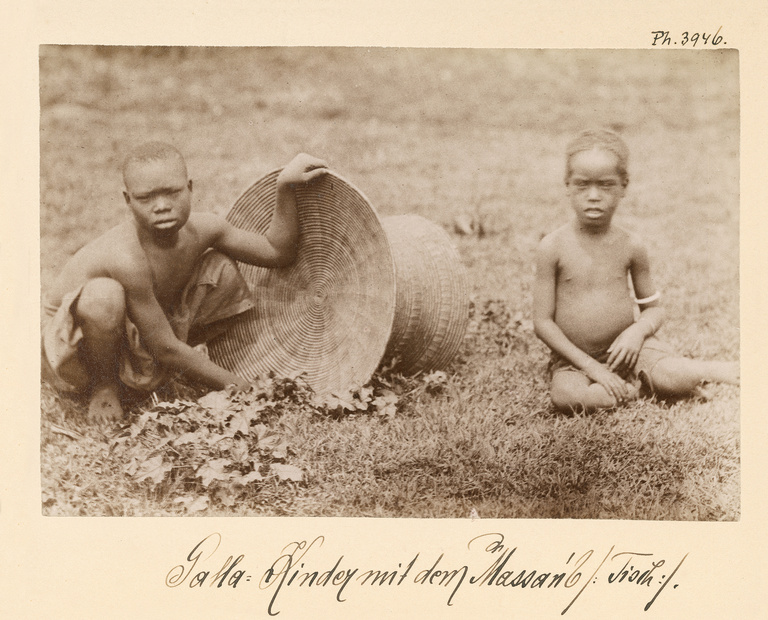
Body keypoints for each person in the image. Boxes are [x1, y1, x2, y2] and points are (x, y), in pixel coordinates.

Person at [42, 142, 327, 424]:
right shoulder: (126, 256)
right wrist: (246, 389)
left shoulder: (206, 229)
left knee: (220, 266)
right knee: (103, 296)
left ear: (189, 188)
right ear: (128, 200)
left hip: (137, 335)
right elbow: (165, 348)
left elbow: (276, 251)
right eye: (146, 198)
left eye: (173, 193)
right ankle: (105, 386)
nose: (162, 206)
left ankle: (149, 371)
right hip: (72, 350)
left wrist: (285, 187)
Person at [532, 128, 738, 412]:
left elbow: (654, 309)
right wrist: (594, 368)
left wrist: (636, 333)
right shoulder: (552, 247)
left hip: (632, 351)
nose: (593, 196)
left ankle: (715, 370)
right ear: (567, 185)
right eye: (582, 185)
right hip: (574, 361)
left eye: (605, 185)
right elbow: (542, 323)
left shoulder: (631, 245)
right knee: (567, 398)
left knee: (673, 375)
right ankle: (634, 391)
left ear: (624, 186)